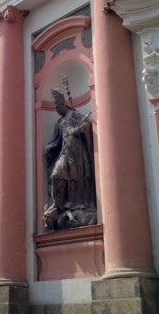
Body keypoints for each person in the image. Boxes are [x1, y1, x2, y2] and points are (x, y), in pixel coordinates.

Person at [43, 88, 96, 231]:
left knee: (77, 178)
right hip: (65, 152)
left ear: (63, 104)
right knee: (56, 175)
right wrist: (49, 149)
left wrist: (79, 130)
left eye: (57, 107)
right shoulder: (59, 122)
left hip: (78, 154)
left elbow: (87, 124)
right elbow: (56, 140)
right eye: (54, 107)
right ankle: (58, 204)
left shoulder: (74, 115)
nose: (56, 110)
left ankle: (77, 204)